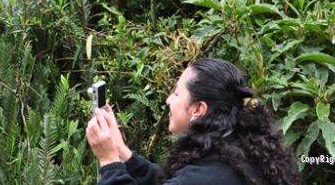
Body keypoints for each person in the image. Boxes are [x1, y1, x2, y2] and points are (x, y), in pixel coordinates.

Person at [86, 58, 301, 185]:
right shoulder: (241, 149)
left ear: (199, 109)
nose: (169, 100)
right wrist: (122, 153)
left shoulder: (205, 175)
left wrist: (109, 162)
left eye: (177, 94)